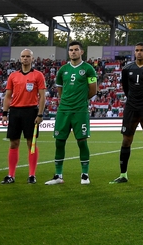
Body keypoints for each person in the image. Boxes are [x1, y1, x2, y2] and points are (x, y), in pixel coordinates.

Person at [110, 43, 143, 184]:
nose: (139, 52)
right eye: (137, 50)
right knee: (126, 141)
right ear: (134, 52)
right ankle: (123, 175)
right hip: (131, 109)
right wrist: (134, 100)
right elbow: (126, 89)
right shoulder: (127, 68)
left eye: (142, 50)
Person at [45, 41, 98, 185]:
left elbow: (93, 90)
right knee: (59, 142)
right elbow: (60, 90)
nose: (73, 52)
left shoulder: (88, 69)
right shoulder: (63, 70)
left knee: (82, 142)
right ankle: (58, 176)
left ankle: (85, 175)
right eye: (70, 50)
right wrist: (66, 101)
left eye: (76, 49)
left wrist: (80, 100)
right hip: (64, 110)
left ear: (81, 52)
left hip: (80, 110)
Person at [0, 49, 47, 184]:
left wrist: (40, 114)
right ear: (20, 59)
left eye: (28, 56)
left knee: (31, 143)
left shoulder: (38, 75)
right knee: (13, 143)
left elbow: (42, 96)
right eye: (23, 56)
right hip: (15, 112)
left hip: (31, 111)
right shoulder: (13, 76)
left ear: (32, 59)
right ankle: (11, 175)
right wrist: (4, 113)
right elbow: (8, 96)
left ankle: (32, 175)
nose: (25, 58)